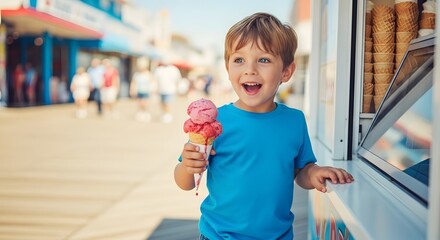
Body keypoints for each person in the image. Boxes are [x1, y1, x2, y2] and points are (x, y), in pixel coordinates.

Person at [174, 13, 354, 240]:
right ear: (228, 69)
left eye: (264, 60)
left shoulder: (295, 121)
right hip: (219, 236)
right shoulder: (216, 123)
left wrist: (315, 172)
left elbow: (300, 171)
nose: (250, 69)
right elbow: (185, 182)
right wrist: (187, 166)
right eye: (239, 60)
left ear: (286, 72)